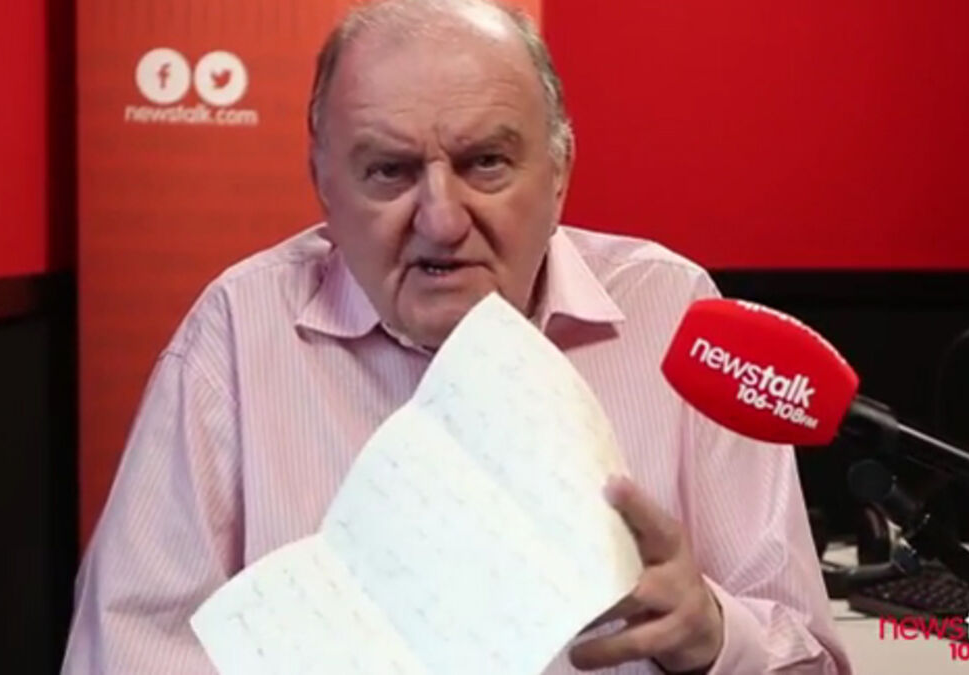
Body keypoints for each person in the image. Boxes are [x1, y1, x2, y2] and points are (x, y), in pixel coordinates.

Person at [61, 0, 851, 672]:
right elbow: (124, 653)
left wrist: (712, 635)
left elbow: (813, 656)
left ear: (560, 173)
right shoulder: (237, 334)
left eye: (486, 163)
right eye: (389, 171)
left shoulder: (675, 317)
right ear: (323, 184)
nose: (441, 220)